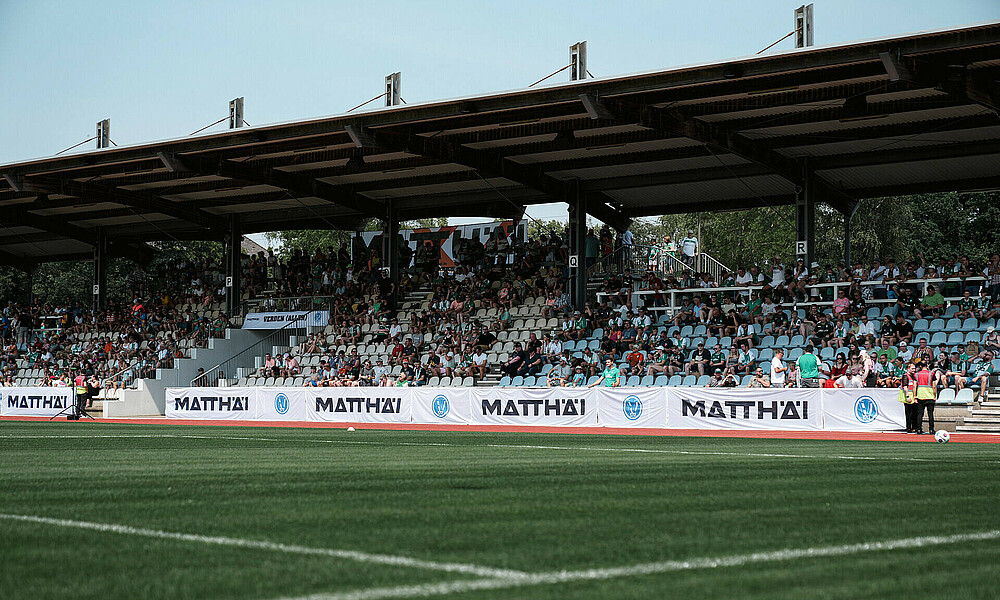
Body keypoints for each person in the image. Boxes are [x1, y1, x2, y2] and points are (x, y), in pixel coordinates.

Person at [914, 361, 936, 434]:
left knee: (920, 414)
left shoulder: (916, 374)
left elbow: (915, 386)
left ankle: (919, 429)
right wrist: (935, 396)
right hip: (930, 395)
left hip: (920, 395)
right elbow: (934, 386)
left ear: (920, 366)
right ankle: (931, 429)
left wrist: (914, 396)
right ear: (927, 365)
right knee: (930, 414)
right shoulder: (931, 374)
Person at [901, 363, 920, 433]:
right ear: (908, 369)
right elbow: (905, 387)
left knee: (914, 412)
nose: (914, 370)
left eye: (914, 368)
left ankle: (914, 427)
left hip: (912, 395)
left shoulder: (913, 376)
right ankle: (909, 427)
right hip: (908, 396)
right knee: (909, 413)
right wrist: (907, 396)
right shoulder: (905, 376)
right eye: (912, 369)